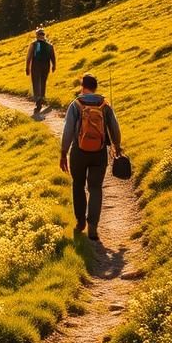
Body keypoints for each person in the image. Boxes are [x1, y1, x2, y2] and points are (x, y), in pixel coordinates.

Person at [59, 73, 123, 241]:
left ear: (83, 86)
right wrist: (117, 146)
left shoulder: (76, 104)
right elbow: (115, 128)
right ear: (95, 87)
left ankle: (81, 222)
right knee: (95, 188)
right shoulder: (104, 105)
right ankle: (93, 226)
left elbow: (67, 131)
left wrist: (63, 152)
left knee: (78, 185)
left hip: (78, 152)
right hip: (99, 153)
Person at [25, 28, 56, 111]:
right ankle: (42, 97)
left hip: (35, 67)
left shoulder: (33, 44)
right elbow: (52, 56)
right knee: (43, 82)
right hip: (46, 67)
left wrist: (27, 67)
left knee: (36, 83)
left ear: (37, 35)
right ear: (44, 35)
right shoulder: (49, 45)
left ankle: (38, 99)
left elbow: (29, 57)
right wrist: (54, 65)